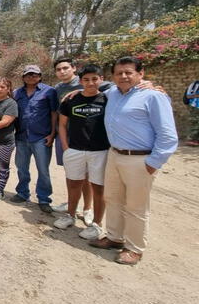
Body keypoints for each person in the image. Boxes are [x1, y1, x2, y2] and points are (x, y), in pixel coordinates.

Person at [89, 56, 178, 265]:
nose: (124, 76)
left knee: (136, 206)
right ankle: (114, 237)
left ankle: (134, 248)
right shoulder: (112, 93)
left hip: (140, 159)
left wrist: (153, 163)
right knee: (113, 199)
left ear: (141, 73)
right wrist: (75, 91)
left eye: (128, 72)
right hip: (115, 155)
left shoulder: (153, 96)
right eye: (119, 73)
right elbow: (92, 85)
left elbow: (168, 135)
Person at [54, 65, 109, 240]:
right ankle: (70, 215)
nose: (91, 83)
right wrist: (65, 147)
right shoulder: (71, 100)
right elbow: (62, 124)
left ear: (101, 79)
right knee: (73, 184)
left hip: (100, 151)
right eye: (86, 79)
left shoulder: (108, 99)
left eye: (95, 79)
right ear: (80, 80)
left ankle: (97, 224)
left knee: (98, 187)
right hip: (75, 149)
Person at [10, 65, 59, 212]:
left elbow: (54, 113)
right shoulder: (17, 93)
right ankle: (22, 193)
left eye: (34, 74)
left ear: (40, 76)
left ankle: (44, 198)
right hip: (21, 136)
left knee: (43, 169)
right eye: (28, 74)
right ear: (23, 77)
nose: (31, 77)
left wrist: (52, 134)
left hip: (41, 137)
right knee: (22, 167)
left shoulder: (49, 91)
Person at [52, 57, 93, 224]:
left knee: (87, 175)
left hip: (85, 137)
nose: (62, 71)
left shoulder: (86, 82)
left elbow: (113, 87)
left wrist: (148, 84)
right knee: (71, 173)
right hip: (64, 136)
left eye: (65, 68)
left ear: (74, 68)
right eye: (59, 69)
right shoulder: (57, 89)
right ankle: (72, 204)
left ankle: (87, 208)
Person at [182, 79, 199, 146]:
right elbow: (189, 95)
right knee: (194, 123)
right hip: (195, 106)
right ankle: (192, 140)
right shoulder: (196, 84)